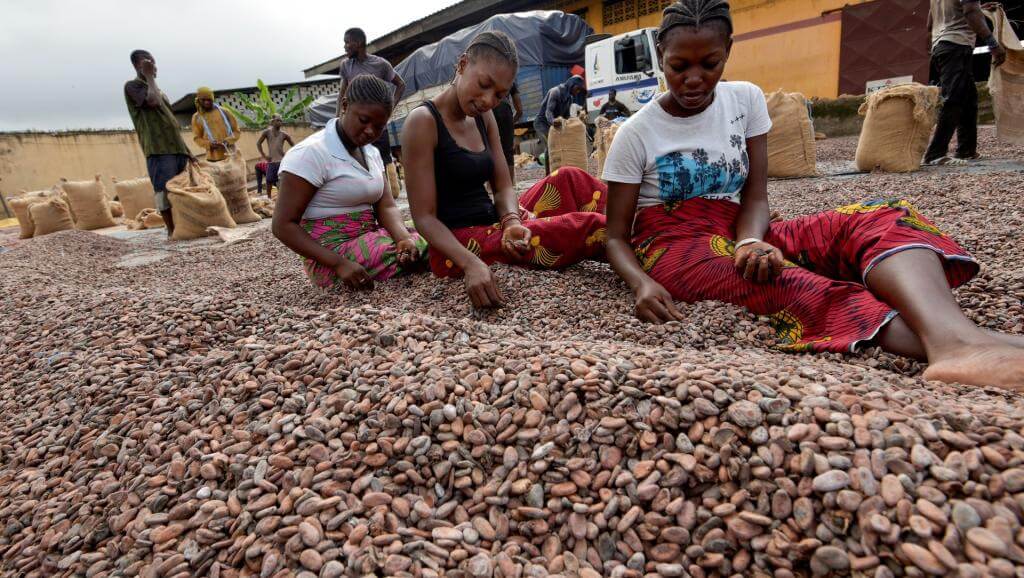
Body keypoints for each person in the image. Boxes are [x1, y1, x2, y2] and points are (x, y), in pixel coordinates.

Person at [603, 0, 1024, 389]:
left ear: (728, 50)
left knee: (876, 219)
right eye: (679, 66)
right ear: (661, 56)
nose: (694, 79)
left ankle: (959, 340)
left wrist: (750, 240)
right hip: (675, 246)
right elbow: (617, 236)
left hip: (739, 225)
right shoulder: (636, 133)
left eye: (709, 64)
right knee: (786, 281)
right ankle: (959, 345)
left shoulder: (745, 99)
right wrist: (642, 283)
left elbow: (755, 195)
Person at [402, 32, 608, 309]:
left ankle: (644, 215)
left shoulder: (483, 117)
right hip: (457, 244)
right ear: (462, 65)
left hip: (494, 222)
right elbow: (424, 218)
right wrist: (471, 264)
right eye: (484, 84)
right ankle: (648, 242)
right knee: (586, 227)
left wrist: (511, 221)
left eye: (499, 94)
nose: (488, 100)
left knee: (570, 178)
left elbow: (503, 187)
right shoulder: (423, 122)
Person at [273, 75, 427, 291]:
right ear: (344, 105)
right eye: (364, 121)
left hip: (370, 237)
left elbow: (386, 205)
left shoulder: (371, 153)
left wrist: (402, 238)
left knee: (428, 235)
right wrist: (339, 263)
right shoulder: (311, 153)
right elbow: (282, 225)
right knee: (430, 249)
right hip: (331, 256)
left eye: (379, 126)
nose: (371, 131)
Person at [924, 0, 1007, 165]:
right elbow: (970, 12)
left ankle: (966, 150)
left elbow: (930, 23)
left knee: (969, 99)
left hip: (942, 45)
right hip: (956, 43)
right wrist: (992, 43)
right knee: (954, 99)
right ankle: (935, 154)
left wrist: (979, 9)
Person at [124, 50, 194, 238]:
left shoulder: (159, 91)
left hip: (176, 148)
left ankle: (184, 227)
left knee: (182, 191)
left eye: (154, 63)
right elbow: (152, 102)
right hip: (159, 149)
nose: (153, 67)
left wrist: (187, 150)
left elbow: (171, 121)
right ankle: (172, 231)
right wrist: (148, 77)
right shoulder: (133, 87)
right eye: (148, 63)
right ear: (137, 66)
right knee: (164, 191)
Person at [336, 27, 406, 178]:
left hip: (377, 126)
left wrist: (389, 109)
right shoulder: (346, 65)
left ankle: (387, 192)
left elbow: (401, 84)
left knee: (383, 163)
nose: (345, 46)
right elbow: (342, 93)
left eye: (348, 42)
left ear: (359, 43)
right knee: (358, 163)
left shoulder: (381, 64)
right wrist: (338, 118)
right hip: (356, 126)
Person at [533, 75, 586, 173]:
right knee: (551, 147)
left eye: (579, 90)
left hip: (555, 125)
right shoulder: (555, 92)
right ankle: (549, 175)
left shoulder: (569, 98)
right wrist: (553, 122)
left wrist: (576, 122)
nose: (577, 92)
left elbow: (566, 117)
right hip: (542, 123)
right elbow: (548, 112)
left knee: (564, 145)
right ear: (572, 84)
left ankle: (562, 171)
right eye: (577, 89)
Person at [190, 87, 240, 162]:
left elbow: (236, 131)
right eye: (203, 100)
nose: (206, 102)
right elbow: (197, 138)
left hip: (231, 155)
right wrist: (209, 144)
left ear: (212, 99)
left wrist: (227, 141)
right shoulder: (196, 117)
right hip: (212, 159)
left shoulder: (225, 112)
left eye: (209, 99)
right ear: (199, 100)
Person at [493, 82, 523, 183]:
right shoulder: (510, 80)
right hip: (505, 110)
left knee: (489, 149)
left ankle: (491, 186)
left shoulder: (487, 74)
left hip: (489, 110)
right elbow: (519, 111)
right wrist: (511, 123)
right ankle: (509, 185)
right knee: (508, 151)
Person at [257, 115, 294, 198]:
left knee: (283, 181)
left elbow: (294, 146)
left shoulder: (284, 134)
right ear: (272, 122)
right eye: (278, 120)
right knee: (269, 180)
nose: (280, 122)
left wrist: (289, 155)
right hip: (272, 161)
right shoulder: (267, 132)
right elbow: (258, 143)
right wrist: (264, 155)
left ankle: (284, 197)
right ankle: (269, 198)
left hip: (282, 161)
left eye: (281, 121)